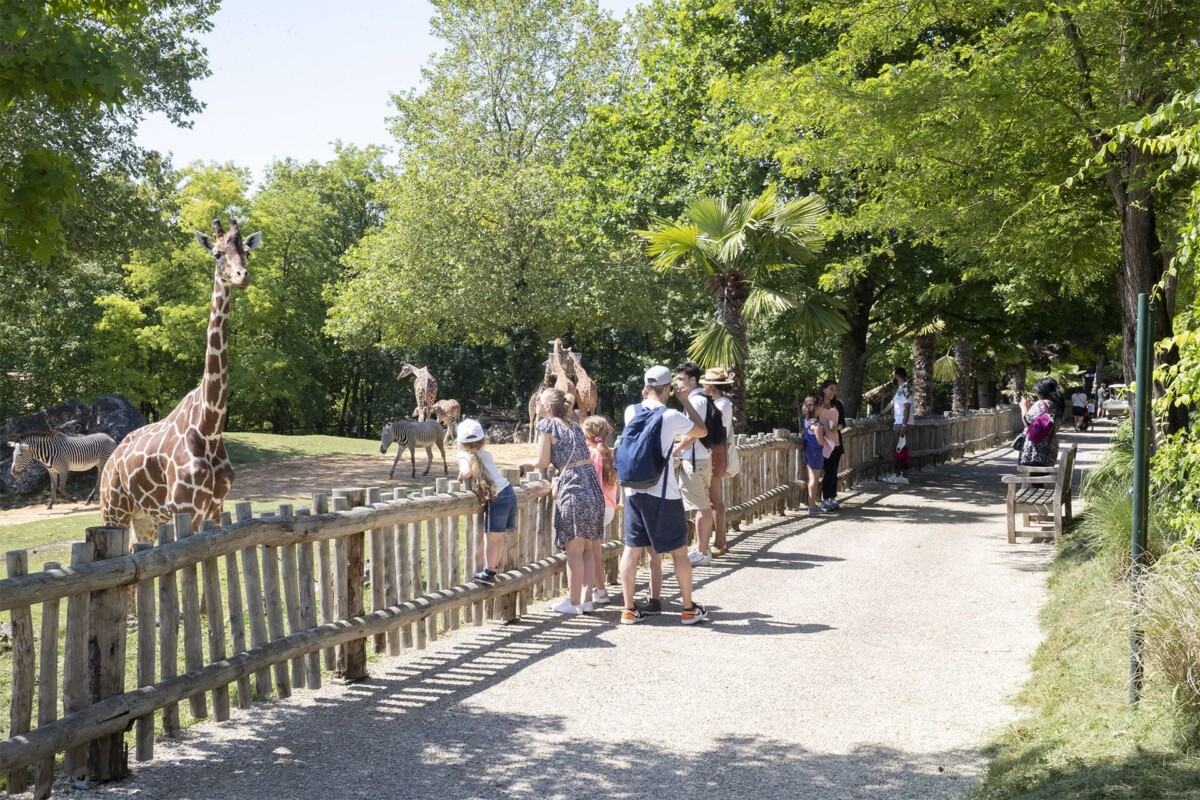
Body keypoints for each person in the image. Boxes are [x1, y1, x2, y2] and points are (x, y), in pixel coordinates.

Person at [619, 365, 710, 625]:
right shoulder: (670, 416)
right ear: (669, 388)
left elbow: (643, 409)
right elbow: (701, 430)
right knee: (679, 552)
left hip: (633, 491)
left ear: (646, 387)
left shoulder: (630, 412)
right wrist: (685, 401)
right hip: (664, 494)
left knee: (631, 549)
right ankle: (688, 608)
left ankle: (628, 609)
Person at [519, 388, 607, 615]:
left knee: (574, 550)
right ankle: (587, 600)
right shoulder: (575, 425)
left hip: (574, 487)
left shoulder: (547, 426)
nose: (536, 403)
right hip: (591, 486)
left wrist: (524, 465)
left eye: (539, 401)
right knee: (588, 547)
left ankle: (574, 601)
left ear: (548, 406)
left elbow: (542, 461)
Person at [457, 418, 518, 586]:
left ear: (460, 441)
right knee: (497, 537)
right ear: (482, 439)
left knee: (490, 538)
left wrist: (461, 475)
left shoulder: (464, 454)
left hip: (497, 497)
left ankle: (489, 572)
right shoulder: (486, 454)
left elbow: (467, 471)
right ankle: (494, 567)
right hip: (508, 492)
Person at [674, 361, 715, 567]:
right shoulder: (701, 398)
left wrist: (676, 449)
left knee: (701, 507)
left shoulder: (695, 401)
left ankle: (701, 551)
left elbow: (694, 433)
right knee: (703, 505)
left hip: (694, 458)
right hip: (701, 458)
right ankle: (702, 548)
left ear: (693, 380)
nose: (677, 383)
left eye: (681, 379)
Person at [700, 368, 735, 556]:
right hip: (716, 449)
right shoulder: (720, 403)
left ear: (711, 386)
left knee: (714, 498)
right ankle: (720, 540)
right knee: (712, 498)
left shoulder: (720, 405)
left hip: (715, 449)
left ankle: (720, 541)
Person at [583, 415, 617, 606]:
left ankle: (598, 591)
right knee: (594, 550)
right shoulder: (609, 453)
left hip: (595, 508)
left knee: (591, 552)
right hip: (609, 508)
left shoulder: (592, 455)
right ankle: (597, 590)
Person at [1019, 377, 1064, 467]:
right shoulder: (1057, 405)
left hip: (1036, 451)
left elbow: (1027, 423)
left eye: (1037, 391)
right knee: (1038, 480)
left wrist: (1023, 407)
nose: (1036, 394)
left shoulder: (1041, 404)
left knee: (1032, 479)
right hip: (1050, 449)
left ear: (1043, 392)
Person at [817, 379, 845, 511]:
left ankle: (833, 497)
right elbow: (810, 420)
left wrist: (837, 427)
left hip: (836, 443)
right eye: (831, 389)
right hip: (824, 444)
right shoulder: (817, 405)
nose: (833, 392)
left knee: (834, 472)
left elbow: (843, 422)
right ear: (824, 389)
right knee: (830, 471)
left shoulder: (838, 404)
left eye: (835, 390)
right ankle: (825, 499)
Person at [882, 366, 913, 484]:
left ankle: (899, 475)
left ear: (897, 375)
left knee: (899, 448)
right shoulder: (900, 389)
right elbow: (892, 403)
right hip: (900, 422)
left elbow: (907, 407)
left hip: (902, 422)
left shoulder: (906, 388)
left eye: (893, 375)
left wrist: (904, 425)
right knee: (899, 448)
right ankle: (900, 475)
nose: (892, 377)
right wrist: (881, 413)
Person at [802, 395, 827, 515]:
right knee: (814, 480)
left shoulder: (807, 421)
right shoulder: (816, 424)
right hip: (815, 453)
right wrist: (825, 440)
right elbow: (820, 441)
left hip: (808, 452)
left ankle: (812, 504)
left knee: (812, 479)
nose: (822, 408)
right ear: (816, 407)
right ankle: (812, 506)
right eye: (821, 406)